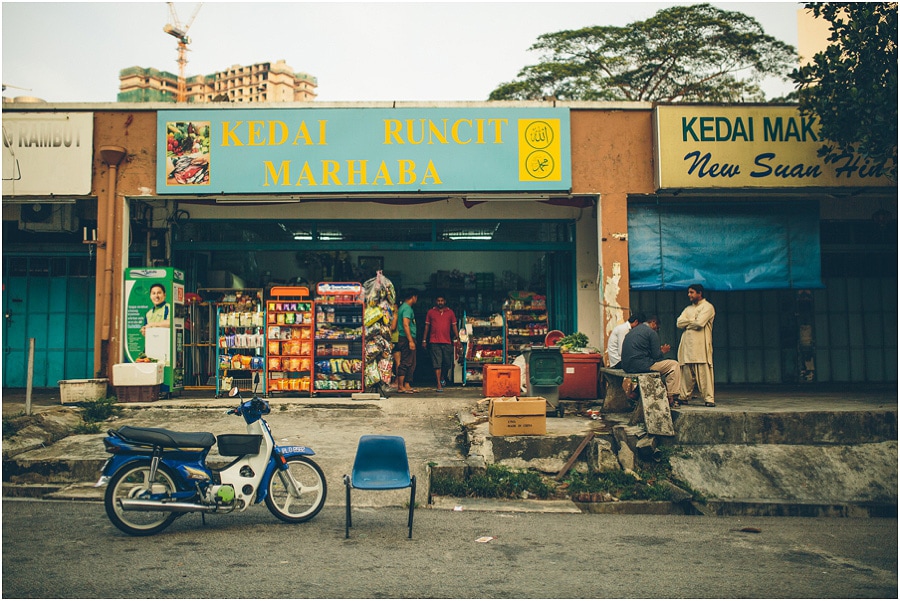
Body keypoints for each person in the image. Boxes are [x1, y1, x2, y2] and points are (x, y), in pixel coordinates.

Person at [620, 314, 682, 407]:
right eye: (657, 328)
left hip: (627, 366)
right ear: (653, 323)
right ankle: (672, 396)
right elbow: (656, 356)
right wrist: (663, 351)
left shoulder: (632, 332)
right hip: (641, 366)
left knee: (654, 371)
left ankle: (635, 393)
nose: (657, 330)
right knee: (673, 365)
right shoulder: (651, 333)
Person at [677, 283, 716, 407]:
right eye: (689, 292)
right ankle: (683, 396)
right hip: (687, 347)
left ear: (700, 293)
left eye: (692, 292)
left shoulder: (707, 307)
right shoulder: (688, 309)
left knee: (704, 374)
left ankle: (709, 399)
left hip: (701, 347)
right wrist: (692, 321)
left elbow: (700, 323)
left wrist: (688, 323)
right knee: (687, 374)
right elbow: (678, 323)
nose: (689, 295)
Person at [422, 296, 458, 392]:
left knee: (447, 363)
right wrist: (424, 340)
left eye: (442, 301)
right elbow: (427, 327)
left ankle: (442, 377)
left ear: (445, 301)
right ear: (435, 301)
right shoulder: (431, 312)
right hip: (434, 342)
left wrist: (458, 337)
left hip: (447, 341)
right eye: (438, 301)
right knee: (437, 363)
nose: (440, 302)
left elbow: (454, 326)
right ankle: (438, 384)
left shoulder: (450, 312)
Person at [395, 290, 419, 394]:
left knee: (411, 362)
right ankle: (400, 386)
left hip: (407, 337)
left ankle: (407, 385)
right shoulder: (407, 309)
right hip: (406, 338)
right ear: (413, 297)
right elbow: (406, 324)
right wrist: (410, 341)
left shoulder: (403, 308)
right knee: (405, 361)